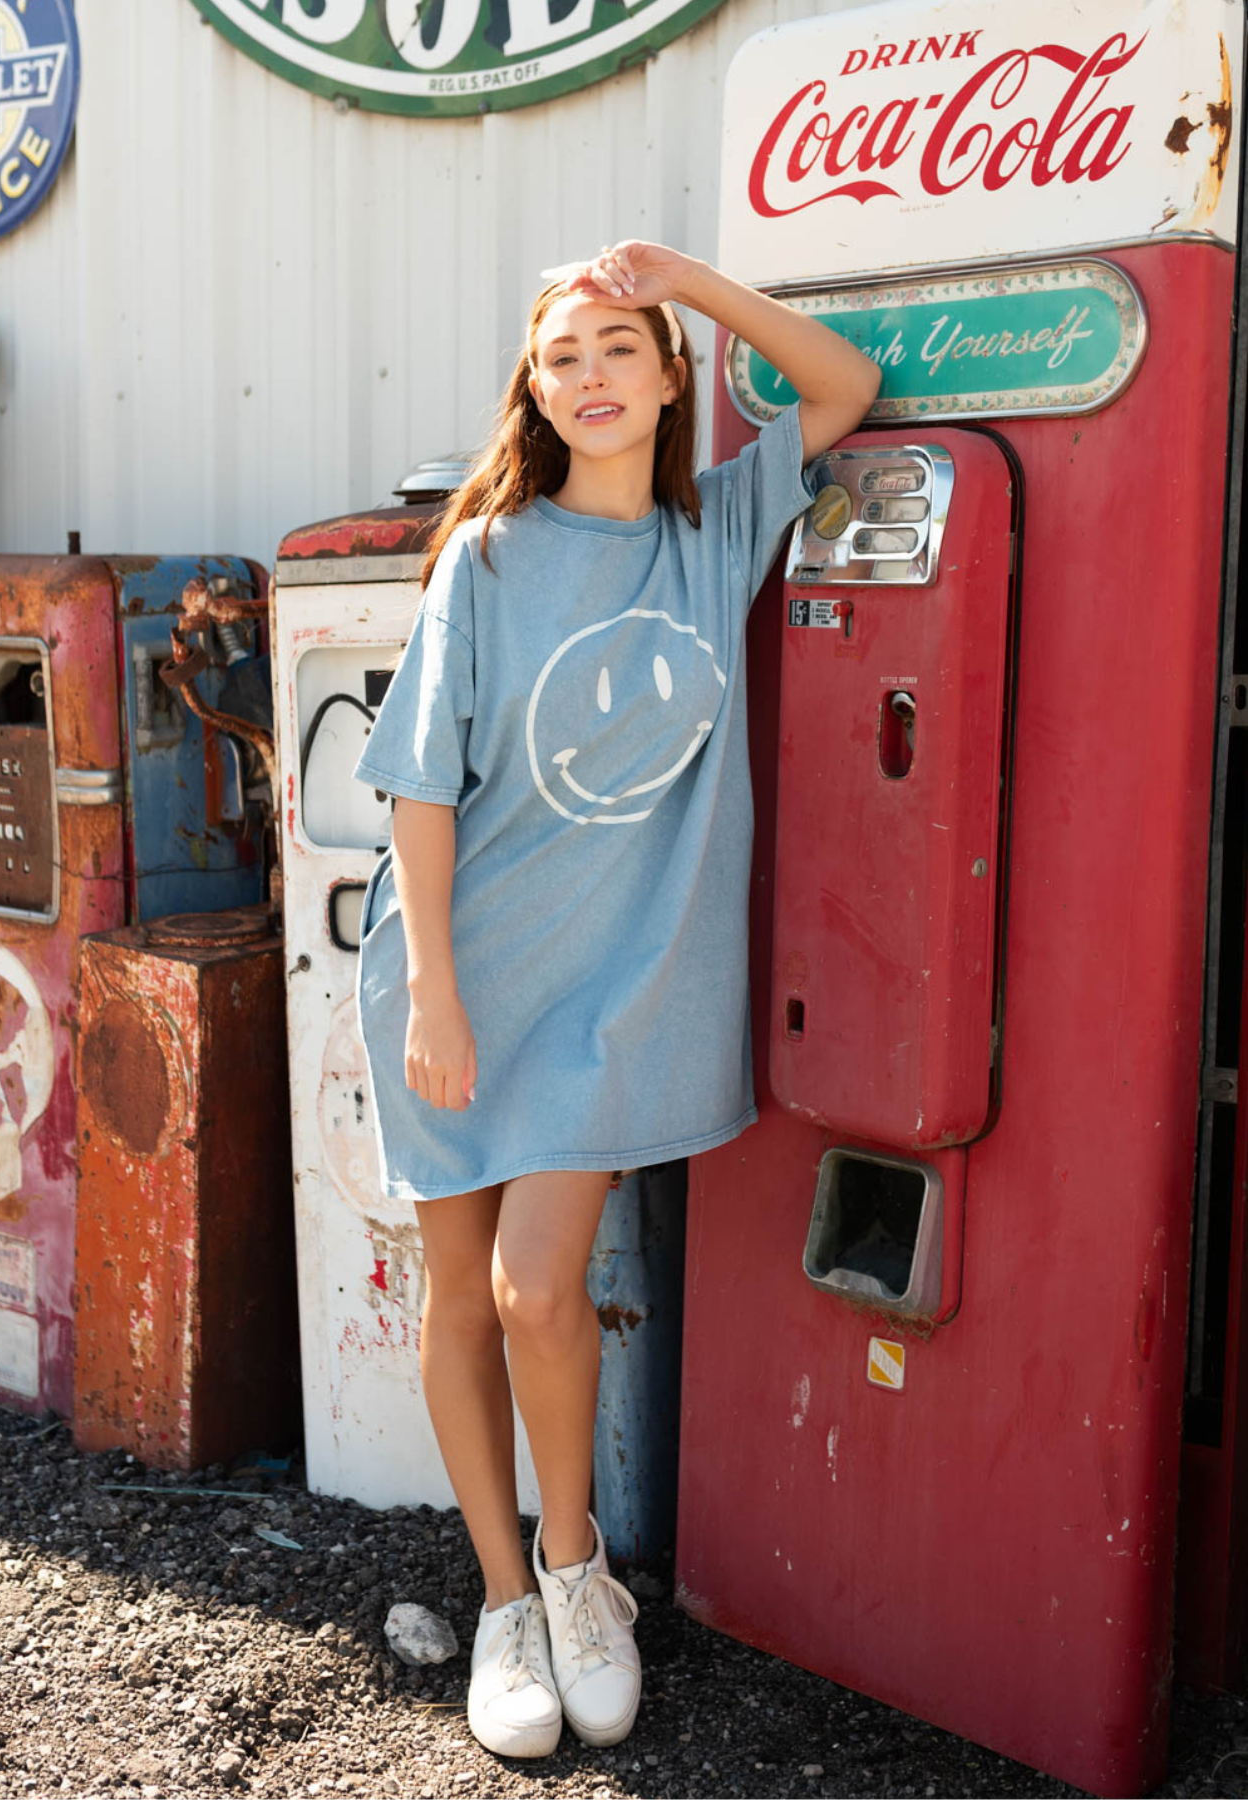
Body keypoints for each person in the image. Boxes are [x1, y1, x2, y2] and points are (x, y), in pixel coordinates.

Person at [352, 240, 880, 1760]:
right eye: (560, 356)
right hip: (455, 963)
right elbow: (418, 787)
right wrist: (433, 997)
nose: (585, 378)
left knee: (536, 1285)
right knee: (463, 1293)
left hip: (610, 983)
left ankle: (582, 1574)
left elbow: (848, 386)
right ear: (533, 387)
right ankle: (507, 1597)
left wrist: (692, 282)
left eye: (615, 350)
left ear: (667, 378)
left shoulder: (714, 531)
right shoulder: (491, 556)